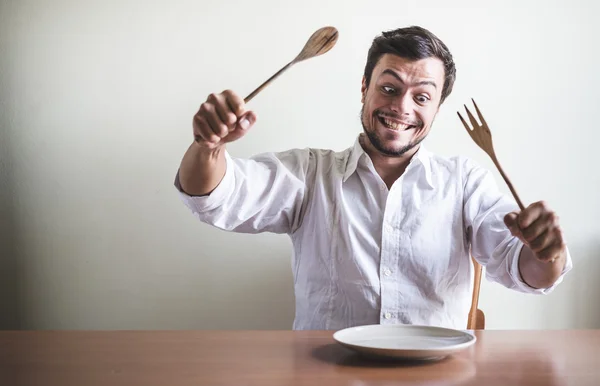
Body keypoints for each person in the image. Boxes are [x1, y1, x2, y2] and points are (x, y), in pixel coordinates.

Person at [174, 26, 572, 330]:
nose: (401, 107)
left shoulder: (465, 183)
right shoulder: (311, 174)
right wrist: (209, 146)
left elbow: (526, 271)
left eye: (421, 96)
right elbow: (215, 195)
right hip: (325, 383)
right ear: (364, 89)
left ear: (436, 109)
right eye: (388, 87)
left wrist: (546, 253)